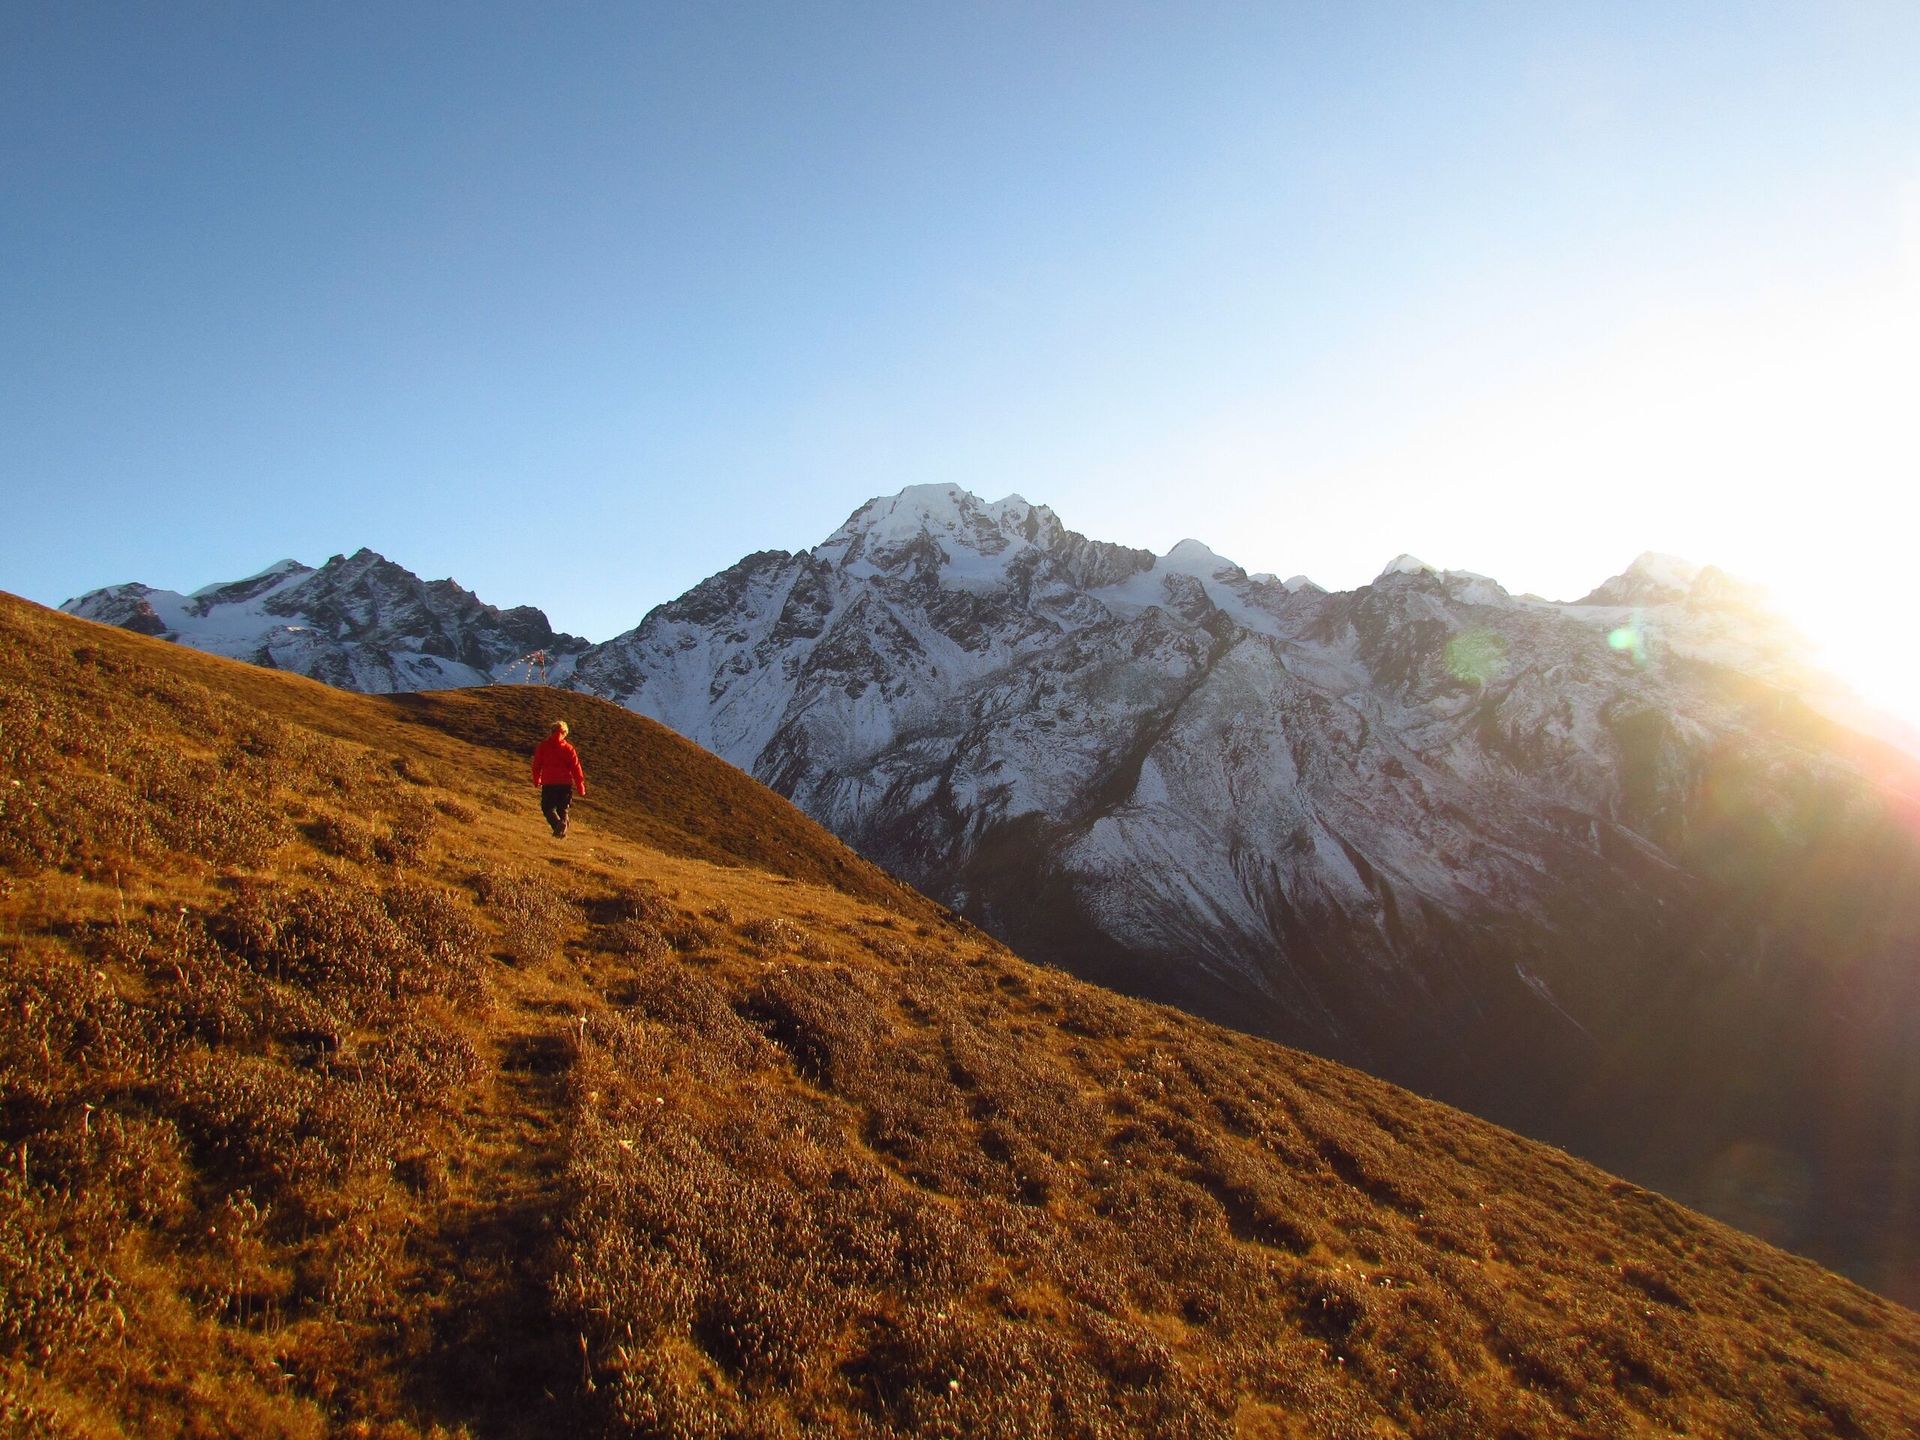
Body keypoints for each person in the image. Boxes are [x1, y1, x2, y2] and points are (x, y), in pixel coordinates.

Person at [530, 720, 587, 838]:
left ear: (552, 731)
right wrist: (580, 786)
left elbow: (536, 765)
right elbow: (576, 768)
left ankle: (558, 826)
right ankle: (561, 829)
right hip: (565, 784)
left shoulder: (543, 746)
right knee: (563, 809)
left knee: (548, 808)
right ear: (565, 733)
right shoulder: (569, 748)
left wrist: (537, 780)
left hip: (549, 783)